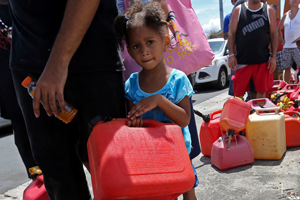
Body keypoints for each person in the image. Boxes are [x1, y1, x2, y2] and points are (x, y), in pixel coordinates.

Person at [9, 0, 126, 199]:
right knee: (57, 173)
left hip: (90, 56)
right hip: (27, 60)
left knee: (114, 170)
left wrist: (58, 62)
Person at [114, 1, 198, 199]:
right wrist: (134, 124)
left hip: (178, 154)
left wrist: (159, 100)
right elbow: (132, 124)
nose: (144, 50)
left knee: (187, 190)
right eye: (136, 46)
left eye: (150, 41)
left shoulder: (178, 80)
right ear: (130, 52)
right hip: (150, 156)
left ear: (165, 42)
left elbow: (185, 119)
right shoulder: (131, 85)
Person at [0, 2, 37, 180]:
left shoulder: (28, 6)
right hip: (9, 88)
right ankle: (37, 180)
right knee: (22, 133)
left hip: (40, 82)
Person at [228, 0, 278, 99]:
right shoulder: (238, 10)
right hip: (242, 61)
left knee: (261, 93)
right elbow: (231, 34)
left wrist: (274, 56)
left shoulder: (269, 10)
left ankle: (258, 113)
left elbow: (274, 34)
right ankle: (240, 114)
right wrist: (231, 54)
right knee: (238, 94)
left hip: (262, 60)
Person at [278, 0, 300, 84]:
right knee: (287, 69)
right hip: (286, 47)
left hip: (298, 47)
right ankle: (285, 89)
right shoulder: (285, 15)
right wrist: (281, 40)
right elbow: (278, 29)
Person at [223, 0, 238, 97]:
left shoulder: (247, 14)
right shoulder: (228, 17)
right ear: (232, 2)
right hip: (235, 54)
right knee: (235, 81)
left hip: (248, 52)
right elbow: (225, 36)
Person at [270, 4, 284, 80]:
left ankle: (281, 86)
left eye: (272, 9)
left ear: (276, 11)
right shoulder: (267, 24)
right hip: (270, 52)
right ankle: (274, 87)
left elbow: (284, 35)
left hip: (281, 51)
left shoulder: (281, 23)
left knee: (281, 70)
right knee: (272, 70)